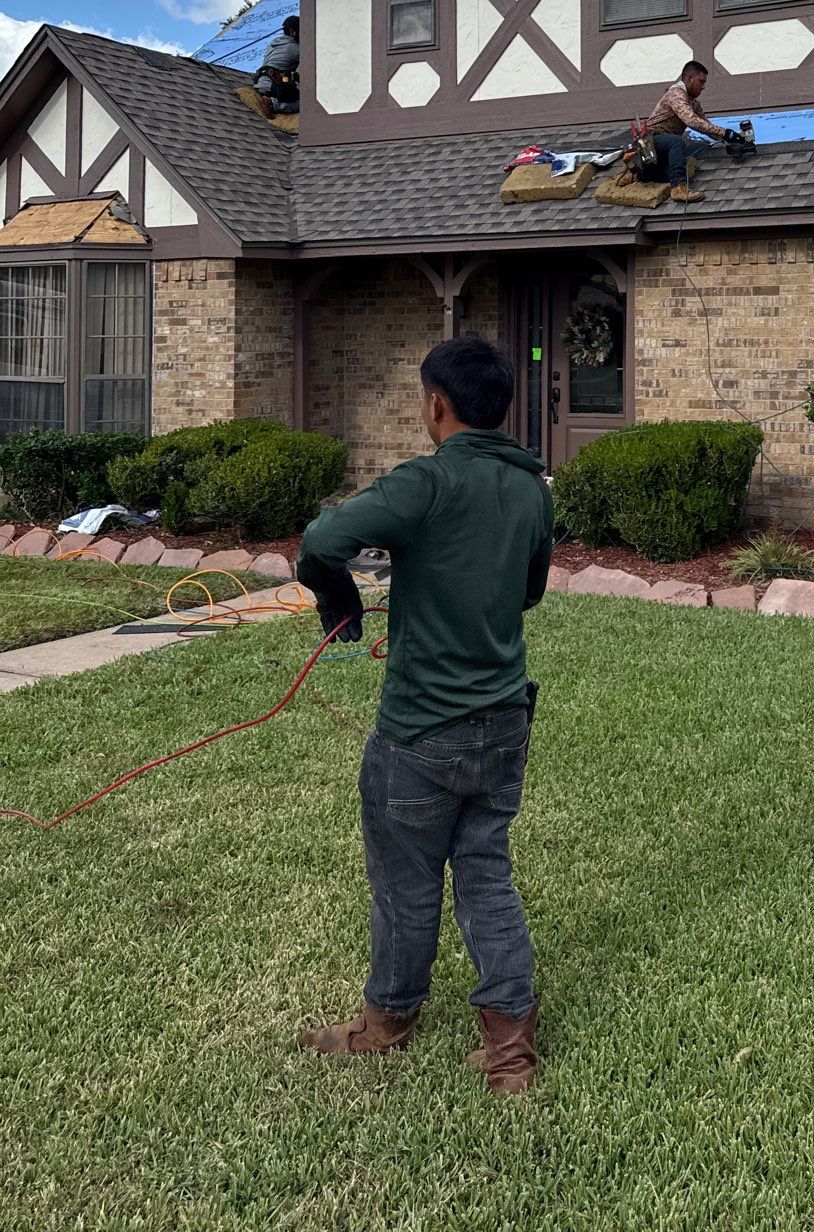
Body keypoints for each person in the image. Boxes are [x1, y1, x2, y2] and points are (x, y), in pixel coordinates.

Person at [295, 335, 553, 1093]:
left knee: (406, 886)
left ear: (436, 406)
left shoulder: (426, 483)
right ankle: (510, 1054)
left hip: (420, 734)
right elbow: (528, 593)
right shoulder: (532, 489)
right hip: (505, 723)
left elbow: (322, 540)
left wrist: (342, 608)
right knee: (486, 876)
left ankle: (388, 1023)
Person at [644, 59, 744, 204]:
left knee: (684, 169)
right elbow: (691, 121)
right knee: (676, 141)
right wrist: (724, 132)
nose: (703, 87)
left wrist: (728, 138)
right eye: (701, 82)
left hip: (660, 152)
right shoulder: (676, 94)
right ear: (689, 78)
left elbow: (705, 125)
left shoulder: (693, 103)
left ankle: (648, 176)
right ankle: (678, 189)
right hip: (651, 142)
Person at [255, 15, 301, 115]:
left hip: (260, 82)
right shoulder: (296, 48)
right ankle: (273, 104)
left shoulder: (273, 43)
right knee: (306, 103)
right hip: (274, 88)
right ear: (293, 32)